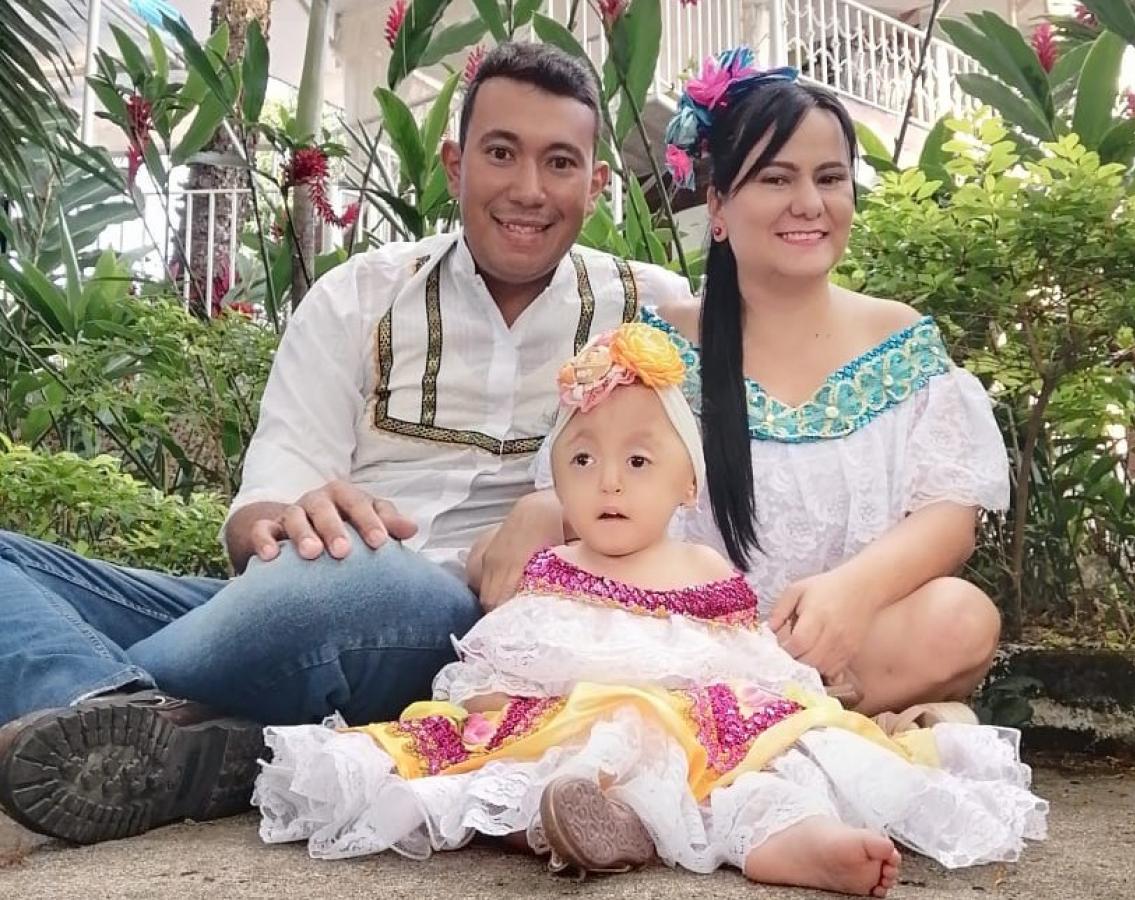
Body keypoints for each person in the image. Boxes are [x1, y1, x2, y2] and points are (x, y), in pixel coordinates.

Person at [0, 42, 687, 845]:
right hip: (296, 595)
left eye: (559, 162)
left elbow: (720, 448)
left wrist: (551, 506)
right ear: (455, 163)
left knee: (358, 585)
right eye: (501, 153)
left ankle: (106, 697)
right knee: (314, 577)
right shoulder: (362, 295)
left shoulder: (651, 312)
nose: (529, 189)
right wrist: (289, 520)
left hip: (460, 622)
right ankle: (132, 714)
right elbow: (261, 510)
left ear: (595, 183)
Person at [254, 324, 1045, 896]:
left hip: (699, 743)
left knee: (758, 778)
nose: (609, 482)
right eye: (584, 460)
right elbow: (510, 651)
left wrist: (779, 708)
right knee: (534, 772)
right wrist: (489, 704)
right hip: (578, 735)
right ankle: (588, 829)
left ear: (686, 484)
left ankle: (802, 844)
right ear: (556, 478)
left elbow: (757, 663)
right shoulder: (557, 569)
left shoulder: (702, 568)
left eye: (638, 461)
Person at [642, 49, 1010, 719]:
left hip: (844, 648)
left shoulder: (898, 338)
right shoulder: (658, 345)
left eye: (830, 177)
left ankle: (758, 723)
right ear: (718, 203)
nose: (809, 204)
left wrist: (853, 593)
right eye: (776, 178)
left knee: (962, 618)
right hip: (686, 647)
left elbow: (950, 513)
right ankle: (787, 723)